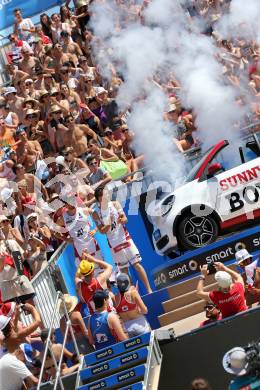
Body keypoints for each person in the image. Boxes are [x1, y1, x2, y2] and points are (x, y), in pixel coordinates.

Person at [93, 186, 152, 294]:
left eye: (106, 194)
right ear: (99, 199)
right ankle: (134, 295)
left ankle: (149, 290)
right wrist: (108, 223)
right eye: (103, 196)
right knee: (124, 271)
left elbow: (125, 219)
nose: (106, 197)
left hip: (125, 238)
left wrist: (122, 219)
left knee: (137, 264)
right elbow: (102, 231)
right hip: (114, 244)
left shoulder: (115, 204)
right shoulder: (96, 212)